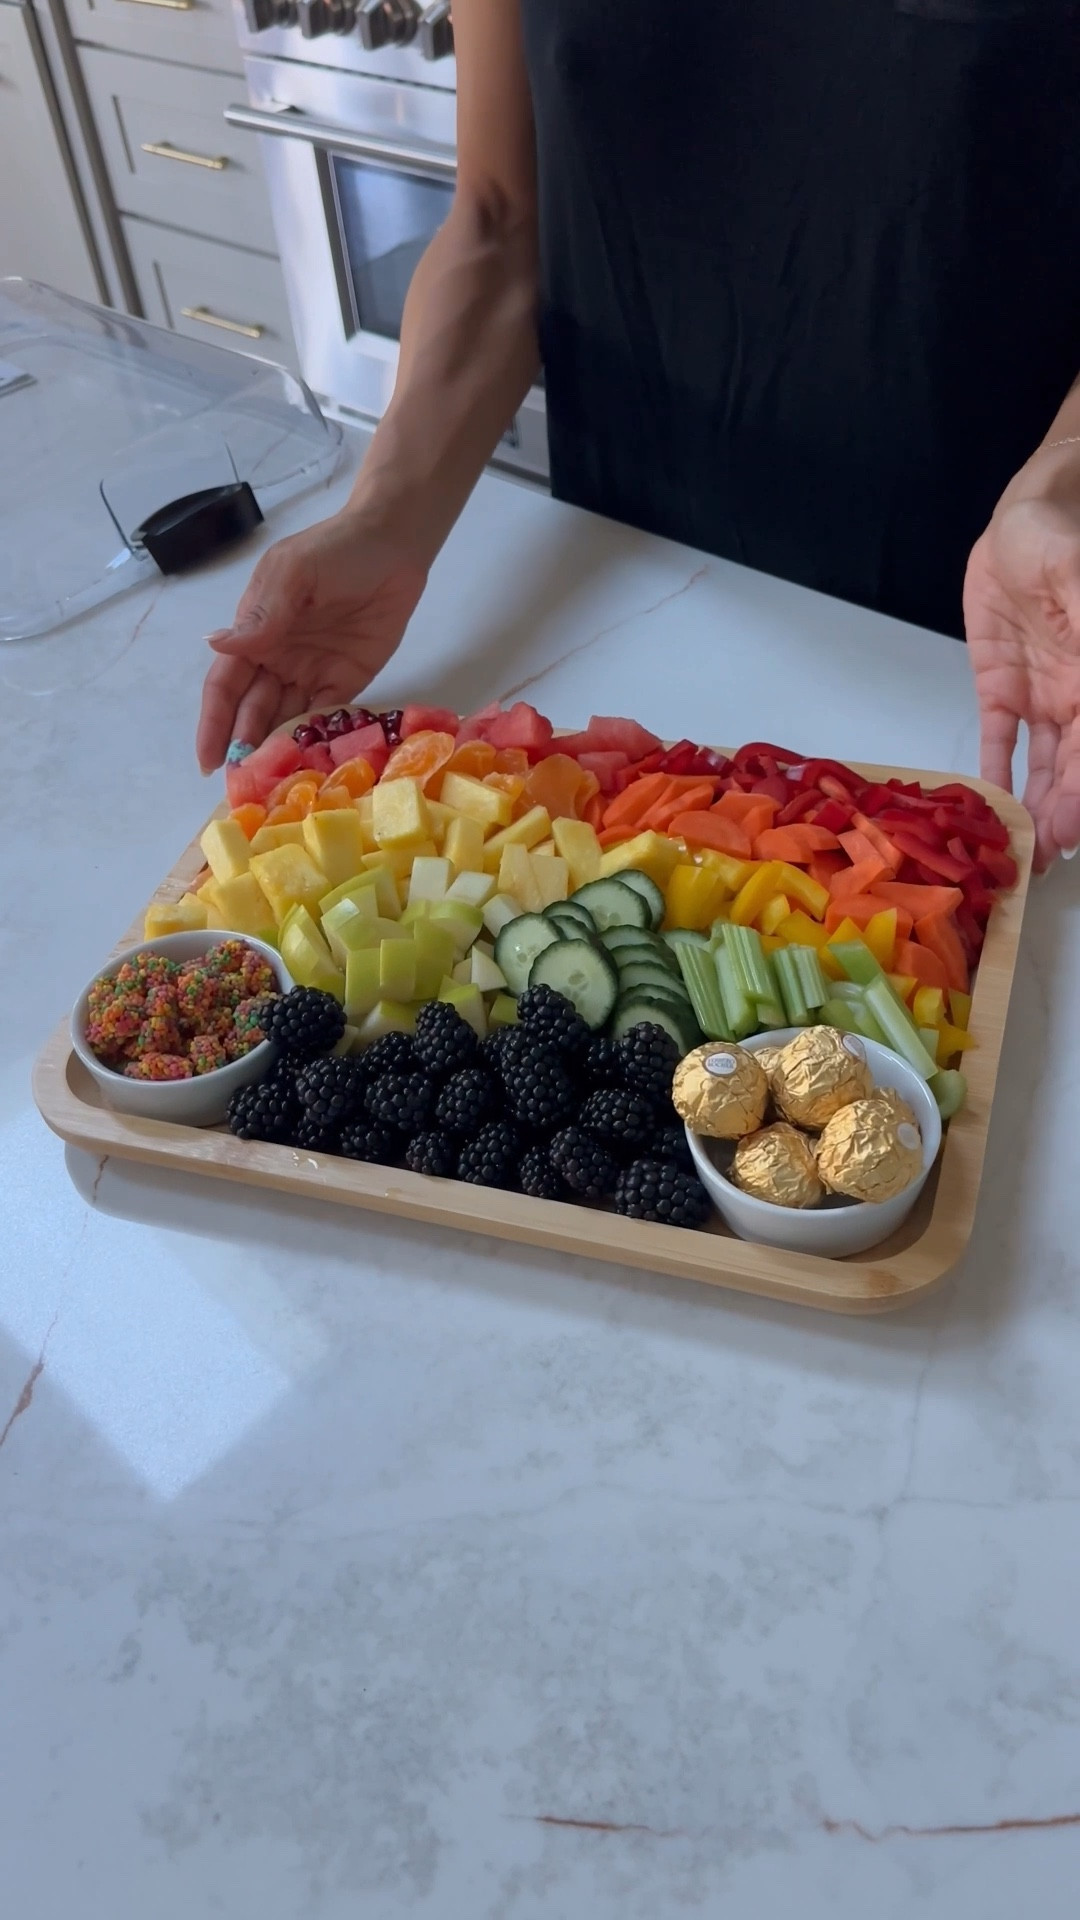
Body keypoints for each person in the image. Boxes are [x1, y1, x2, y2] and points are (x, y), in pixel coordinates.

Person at [197, 0, 1080, 869]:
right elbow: (501, 220)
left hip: (989, 639)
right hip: (618, 595)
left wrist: (1060, 479)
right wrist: (386, 517)